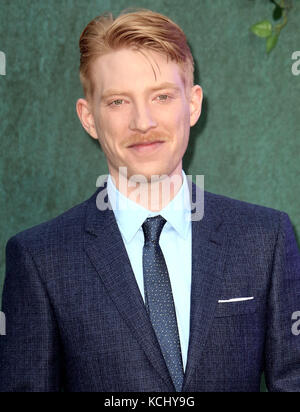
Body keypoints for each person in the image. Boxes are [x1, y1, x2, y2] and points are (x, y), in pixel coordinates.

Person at [0, 9, 300, 393]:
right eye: (118, 102)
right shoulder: (40, 259)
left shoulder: (265, 239)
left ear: (192, 105)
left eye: (161, 96)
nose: (143, 122)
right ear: (88, 117)